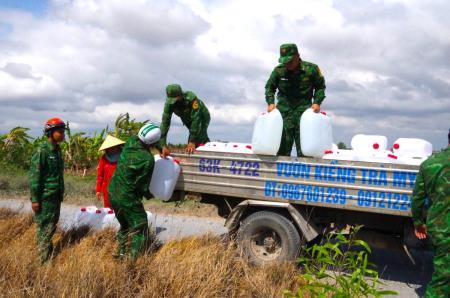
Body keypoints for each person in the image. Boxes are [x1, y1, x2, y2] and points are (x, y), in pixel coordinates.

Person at [108, 123, 161, 261]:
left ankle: (120, 254)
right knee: (140, 227)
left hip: (113, 192)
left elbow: (147, 139)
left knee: (125, 225)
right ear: (154, 142)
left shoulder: (131, 142)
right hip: (128, 197)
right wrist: (153, 194)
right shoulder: (148, 160)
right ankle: (132, 262)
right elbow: (142, 186)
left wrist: (160, 147)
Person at [265, 43, 326, 157]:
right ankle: (281, 174)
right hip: (284, 113)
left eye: (290, 61)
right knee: (282, 149)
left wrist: (317, 102)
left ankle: (304, 173)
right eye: (285, 61)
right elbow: (269, 87)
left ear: (297, 56)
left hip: (304, 114)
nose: (287, 64)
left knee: (305, 149)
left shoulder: (311, 69)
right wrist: (271, 103)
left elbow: (320, 87)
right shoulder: (279, 71)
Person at [411, 130, 449, 298]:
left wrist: (418, 223)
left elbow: (418, 199)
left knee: (442, 277)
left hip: (441, 228)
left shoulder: (430, 164)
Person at [29, 117, 66, 263]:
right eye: (60, 132)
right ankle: (43, 261)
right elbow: (34, 177)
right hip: (45, 197)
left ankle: (48, 255)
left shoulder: (57, 150)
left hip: (55, 196)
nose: (63, 134)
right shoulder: (42, 151)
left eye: (63, 131)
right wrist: (35, 199)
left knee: (51, 226)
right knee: (44, 228)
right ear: (50, 132)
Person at [159, 84, 210, 157]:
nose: (173, 102)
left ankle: (206, 153)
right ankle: (202, 147)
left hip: (201, 116)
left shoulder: (191, 98)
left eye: (175, 99)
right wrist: (162, 145)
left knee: (199, 136)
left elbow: (196, 119)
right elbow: (165, 123)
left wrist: (192, 141)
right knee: (198, 138)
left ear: (180, 95)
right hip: (187, 119)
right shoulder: (169, 104)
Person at [96, 135, 125, 208]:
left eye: (114, 147)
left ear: (118, 146)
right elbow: (100, 175)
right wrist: (98, 190)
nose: (112, 149)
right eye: (110, 147)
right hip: (107, 189)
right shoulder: (104, 158)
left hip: (121, 188)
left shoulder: (124, 156)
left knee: (120, 209)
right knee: (108, 210)